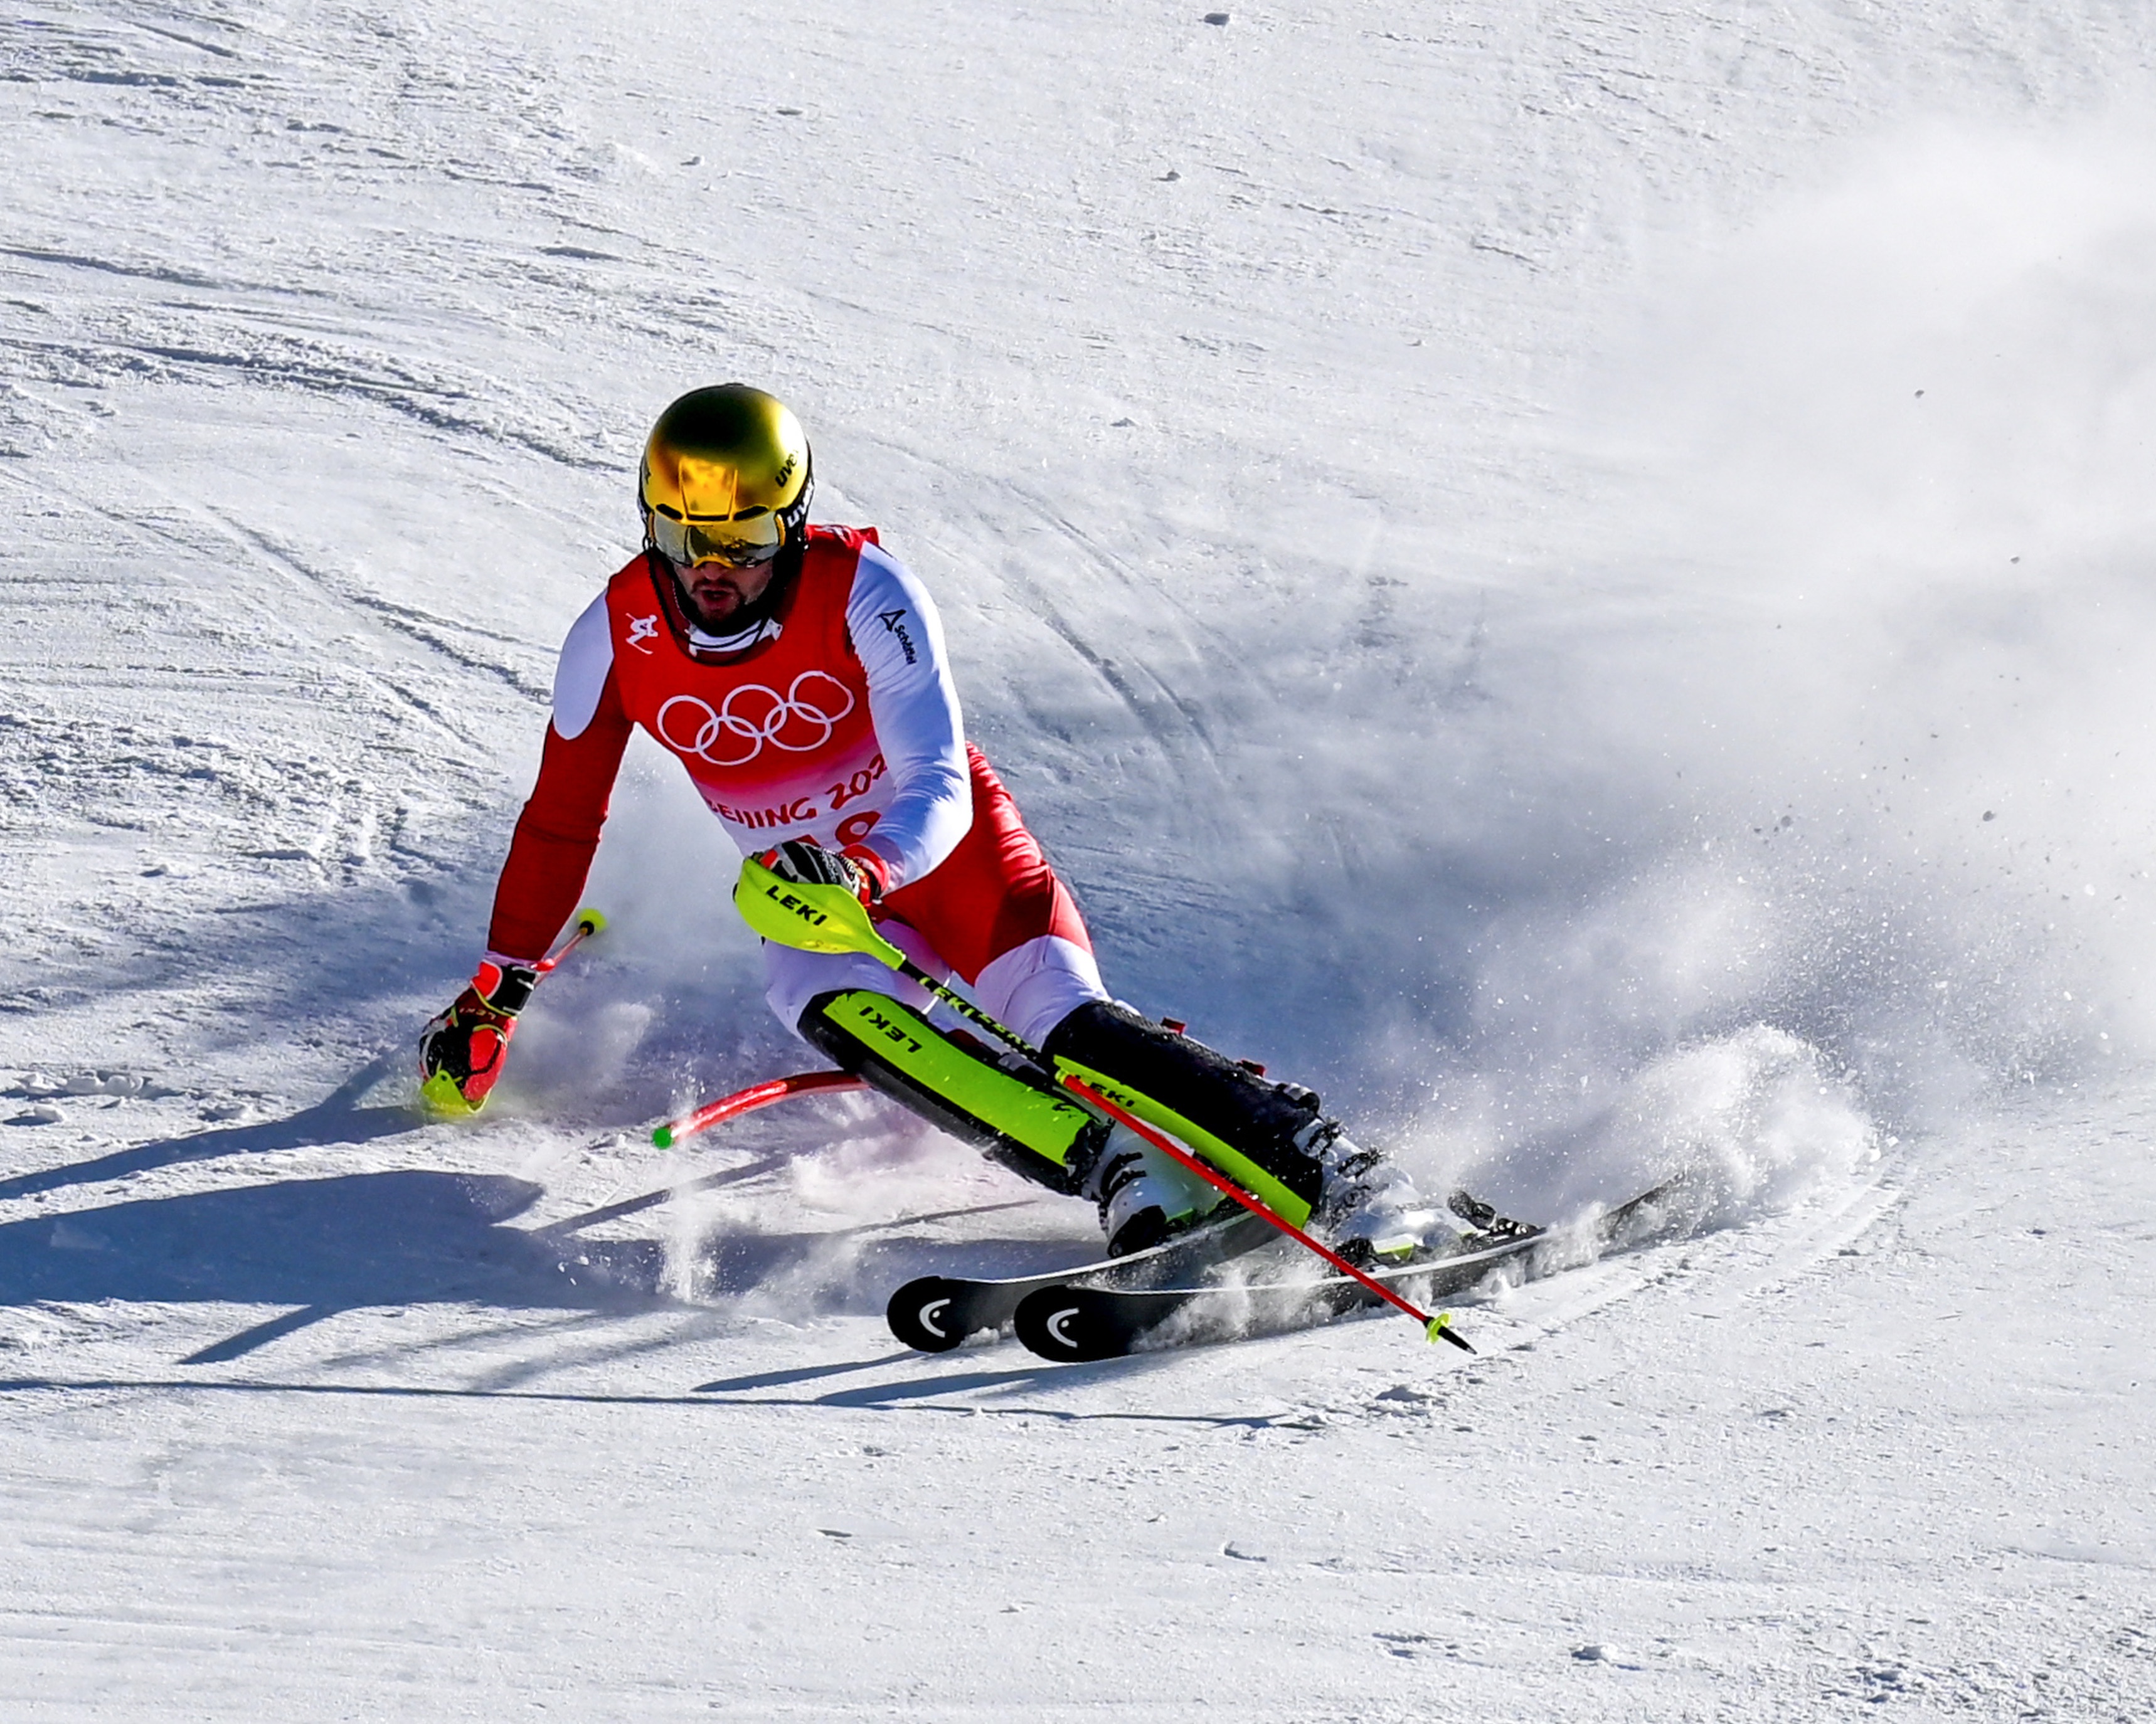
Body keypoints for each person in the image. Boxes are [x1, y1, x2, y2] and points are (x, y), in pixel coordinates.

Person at [420, 384, 1468, 1261]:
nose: (712, 568)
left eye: (740, 537)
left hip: (945, 860)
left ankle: (1337, 1165)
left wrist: (866, 869)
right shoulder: (613, 636)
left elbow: (936, 776)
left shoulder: (866, 590)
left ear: (787, 524)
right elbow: (562, 822)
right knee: (833, 1008)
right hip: (809, 901)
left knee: (1062, 1021)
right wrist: (495, 990)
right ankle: (1123, 1168)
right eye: (683, 535)